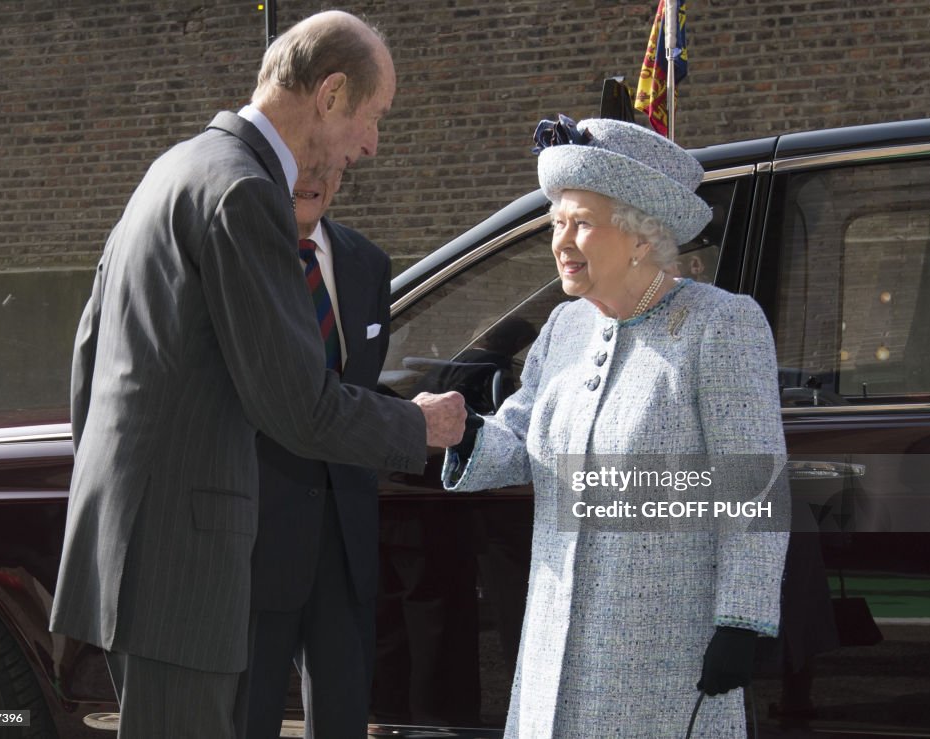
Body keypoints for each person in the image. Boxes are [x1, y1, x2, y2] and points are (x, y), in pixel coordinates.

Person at [49, 11, 466, 739]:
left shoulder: (176, 168)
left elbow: (89, 359)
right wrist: (418, 424)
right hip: (184, 574)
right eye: (373, 116)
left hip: (134, 557)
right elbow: (297, 405)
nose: (371, 144)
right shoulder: (244, 193)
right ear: (331, 93)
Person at [443, 116, 790, 738]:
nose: (561, 240)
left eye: (580, 223)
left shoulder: (721, 326)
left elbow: (753, 485)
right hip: (556, 636)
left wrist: (743, 619)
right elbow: (521, 442)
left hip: (667, 644)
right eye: (555, 224)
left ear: (637, 236)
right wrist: (461, 431)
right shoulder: (564, 328)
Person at [233, 167, 389, 738]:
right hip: (256, 539)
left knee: (345, 721)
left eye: (331, 164)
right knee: (248, 722)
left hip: (345, 540)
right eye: (302, 162)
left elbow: (362, 398)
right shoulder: (241, 259)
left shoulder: (367, 262)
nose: (315, 177)